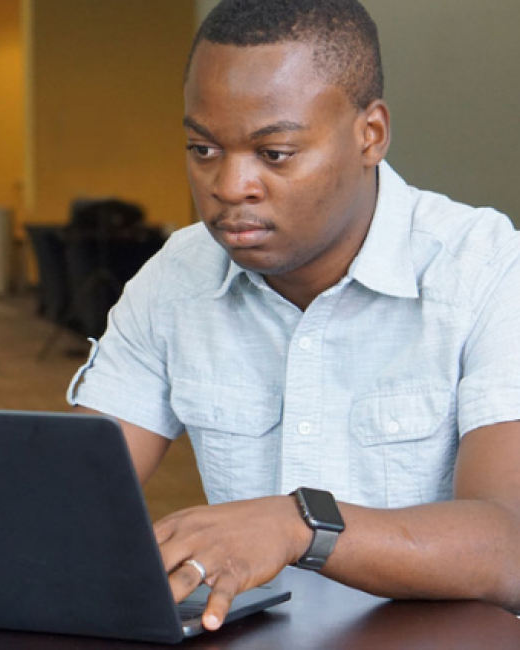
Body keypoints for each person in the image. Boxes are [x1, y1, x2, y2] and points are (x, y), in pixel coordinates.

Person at [68, 0, 520, 631]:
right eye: (203, 148)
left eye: (274, 153)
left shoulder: (483, 268)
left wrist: (300, 523)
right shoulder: (177, 276)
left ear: (371, 134)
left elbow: (507, 546)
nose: (230, 185)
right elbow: (71, 497)